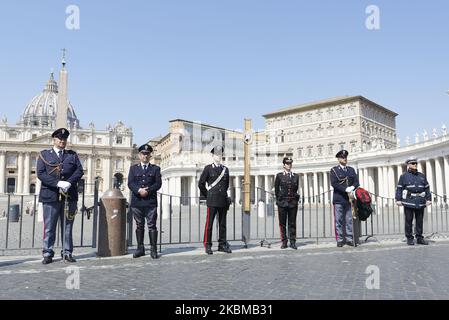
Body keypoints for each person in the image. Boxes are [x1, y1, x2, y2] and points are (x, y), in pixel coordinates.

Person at [37, 128, 84, 264]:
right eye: (60, 139)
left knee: (68, 227)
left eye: (64, 139)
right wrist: (58, 183)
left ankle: (67, 252)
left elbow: (79, 170)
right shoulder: (44, 155)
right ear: (54, 140)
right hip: (50, 196)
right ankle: (47, 252)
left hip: (69, 196)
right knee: (49, 227)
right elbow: (41, 174)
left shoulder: (72, 155)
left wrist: (69, 183)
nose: (62, 141)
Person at [128, 144, 162, 259]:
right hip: (137, 202)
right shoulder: (133, 168)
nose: (145, 156)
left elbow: (158, 183)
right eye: (143, 153)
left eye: (147, 154)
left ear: (150, 155)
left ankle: (153, 249)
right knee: (139, 225)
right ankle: (140, 248)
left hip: (150, 202)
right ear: (139, 155)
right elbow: (130, 183)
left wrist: (148, 190)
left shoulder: (155, 169)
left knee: (152, 225)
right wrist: (139, 190)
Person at [198, 146, 232, 255]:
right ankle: (208, 245)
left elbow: (226, 185)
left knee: (222, 224)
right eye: (217, 154)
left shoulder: (225, 169)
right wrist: (208, 195)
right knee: (209, 224)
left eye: (220, 154)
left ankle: (222, 244)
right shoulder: (208, 168)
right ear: (212, 156)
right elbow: (201, 184)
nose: (219, 156)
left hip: (222, 200)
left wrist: (224, 195)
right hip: (212, 200)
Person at [395, 157, 431, 245]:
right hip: (409, 201)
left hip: (420, 201)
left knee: (419, 220)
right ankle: (409, 238)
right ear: (408, 165)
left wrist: (429, 199)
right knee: (409, 220)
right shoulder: (403, 176)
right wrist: (398, 199)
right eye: (413, 163)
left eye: (416, 163)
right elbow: (399, 188)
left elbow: (427, 188)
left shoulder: (421, 175)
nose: (415, 165)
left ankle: (419, 237)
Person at [330, 150, 360, 247]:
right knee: (338, 220)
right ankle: (339, 239)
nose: (345, 159)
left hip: (349, 199)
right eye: (343, 157)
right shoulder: (334, 170)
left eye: (346, 157)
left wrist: (352, 187)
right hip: (339, 198)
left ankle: (349, 238)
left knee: (349, 220)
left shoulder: (351, 170)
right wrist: (345, 189)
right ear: (339, 159)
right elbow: (334, 184)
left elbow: (356, 182)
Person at [274, 157, 300, 249]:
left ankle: (292, 241)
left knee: (292, 223)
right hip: (282, 203)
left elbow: (296, 189)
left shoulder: (295, 176)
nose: (289, 165)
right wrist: (279, 200)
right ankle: (284, 241)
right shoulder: (279, 176)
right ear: (284, 165)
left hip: (292, 202)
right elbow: (276, 190)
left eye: (290, 163)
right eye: (287, 163)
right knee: (282, 223)